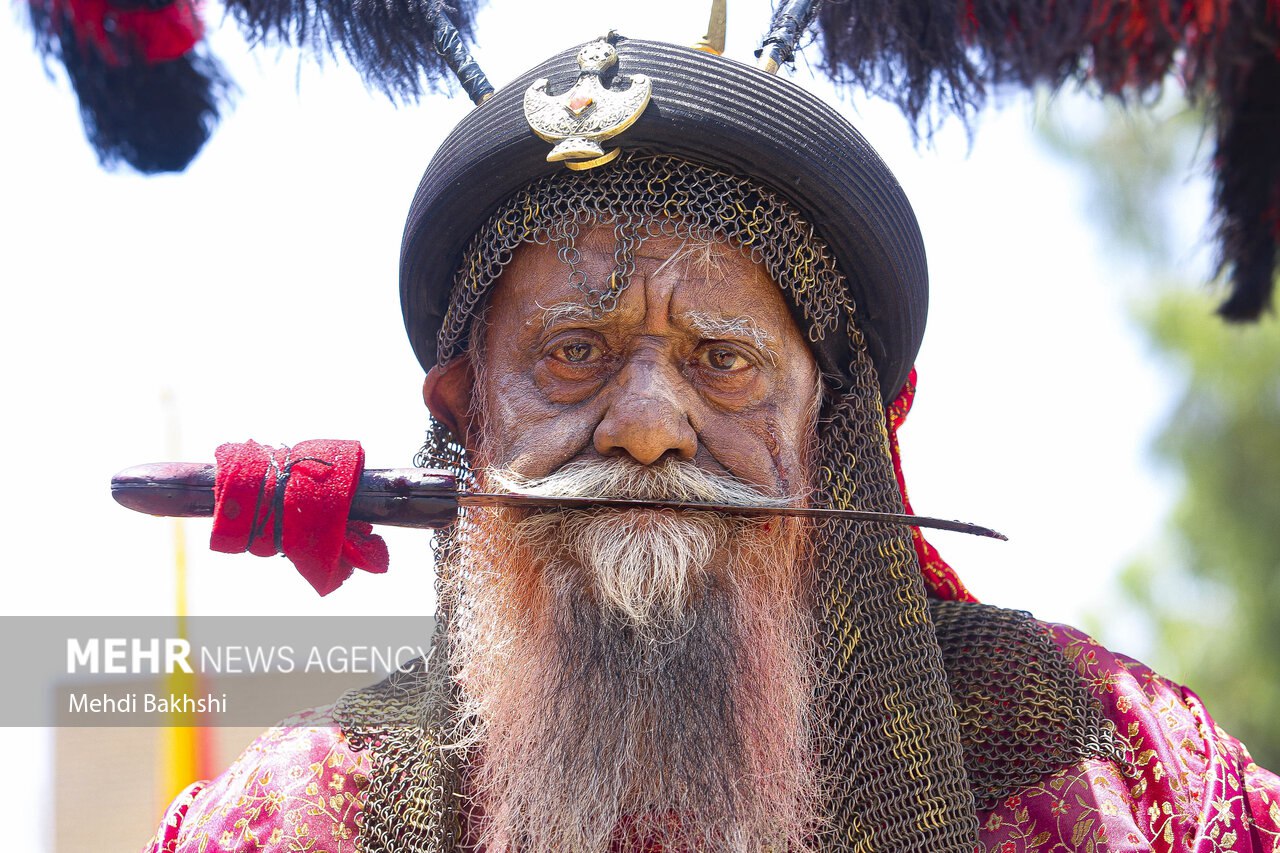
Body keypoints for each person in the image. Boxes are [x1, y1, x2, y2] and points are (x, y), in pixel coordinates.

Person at [144, 33, 1280, 853]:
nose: (646, 423)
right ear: (464, 415)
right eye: (575, 351)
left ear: (835, 423)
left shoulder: (1125, 774)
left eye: (721, 360)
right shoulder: (289, 825)